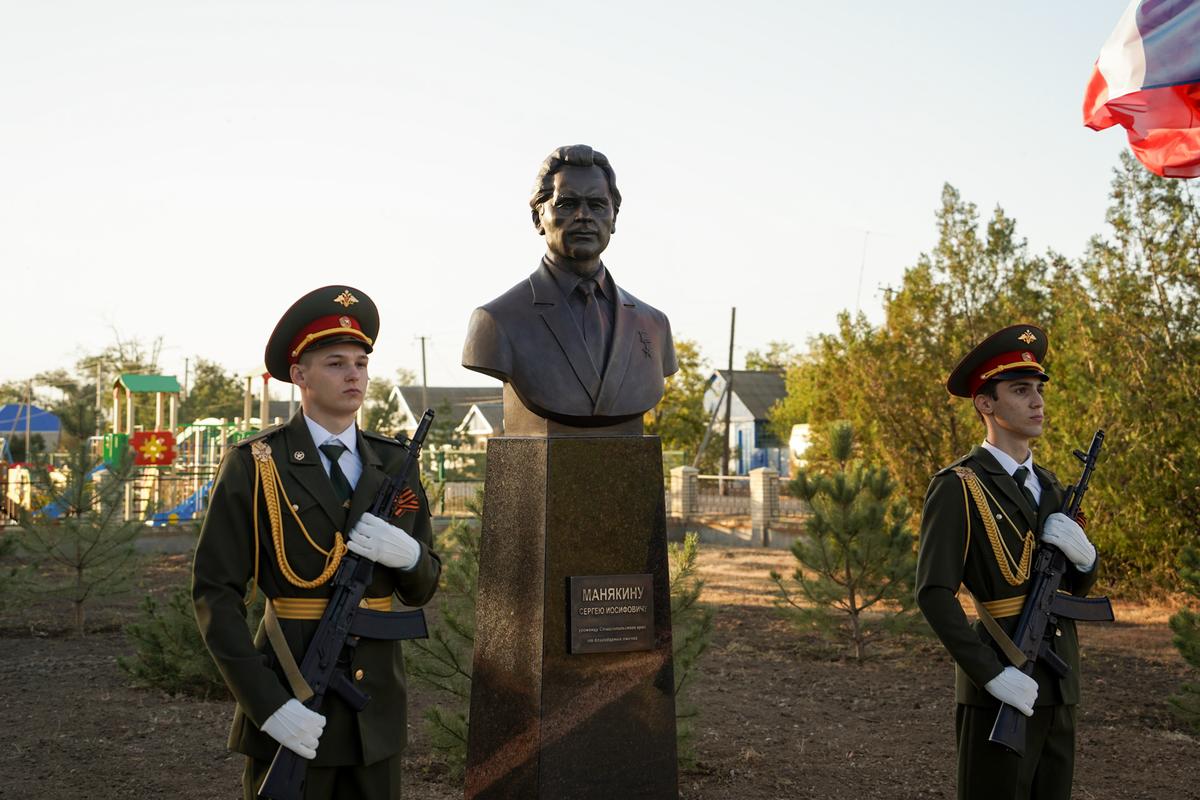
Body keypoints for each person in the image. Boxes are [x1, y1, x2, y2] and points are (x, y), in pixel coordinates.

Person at [192, 285, 441, 800]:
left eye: (361, 362)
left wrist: (411, 556)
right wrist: (266, 704)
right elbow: (215, 594)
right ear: (299, 376)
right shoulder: (256, 463)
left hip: (375, 707)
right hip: (290, 690)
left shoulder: (394, 463)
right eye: (335, 363)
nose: (354, 375)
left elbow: (422, 588)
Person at [916, 324, 1101, 800]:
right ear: (986, 403)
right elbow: (934, 593)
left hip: (1059, 684)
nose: (1037, 401)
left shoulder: (1054, 486)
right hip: (999, 679)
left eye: (1038, 389)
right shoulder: (958, 485)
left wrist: (1086, 559)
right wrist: (991, 675)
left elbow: (1077, 588)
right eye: (1020, 390)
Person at [461, 144, 677, 426]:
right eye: (567, 203)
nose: (584, 216)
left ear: (614, 219)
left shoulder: (654, 325)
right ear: (538, 218)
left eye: (597, 205)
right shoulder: (497, 320)